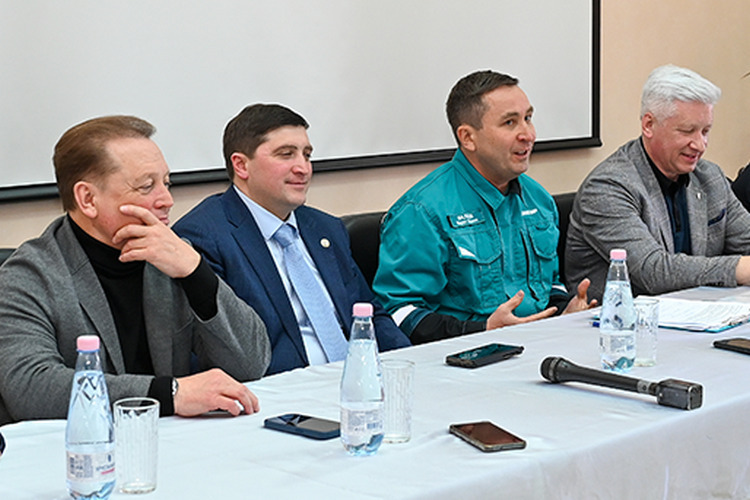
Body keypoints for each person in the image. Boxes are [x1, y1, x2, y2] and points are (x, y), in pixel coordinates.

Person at [0, 116, 271, 426]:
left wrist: (197, 273)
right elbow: (30, 387)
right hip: (78, 447)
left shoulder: (171, 256)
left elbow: (251, 365)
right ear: (88, 199)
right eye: (146, 186)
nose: (167, 200)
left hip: (173, 439)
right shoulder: (29, 275)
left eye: (166, 183)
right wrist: (169, 394)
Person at [173, 104, 410, 375]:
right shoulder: (203, 237)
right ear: (241, 165)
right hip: (282, 389)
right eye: (286, 154)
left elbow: (370, 314)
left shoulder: (326, 228)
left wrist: (405, 365)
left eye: (307, 155)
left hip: (358, 379)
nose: (303, 168)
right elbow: (220, 352)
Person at [372, 70, 595, 344]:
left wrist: (565, 311)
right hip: (465, 356)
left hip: (541, 345)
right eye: (510, 123)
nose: (528, 135)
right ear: (468, 137)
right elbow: (398, 312)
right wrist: (483, 330)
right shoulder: (421, 211)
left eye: (528, 118)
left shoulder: (538, 199)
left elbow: (549, 285)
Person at [566, 64, 750, 301]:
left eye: (705, 131)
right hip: (618, 320)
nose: (700, 145)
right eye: (687, 131)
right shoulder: (607, 188)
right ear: (649, 125)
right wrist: (739, 269)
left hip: (699, 314)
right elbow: (653, 271)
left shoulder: (710, 177)